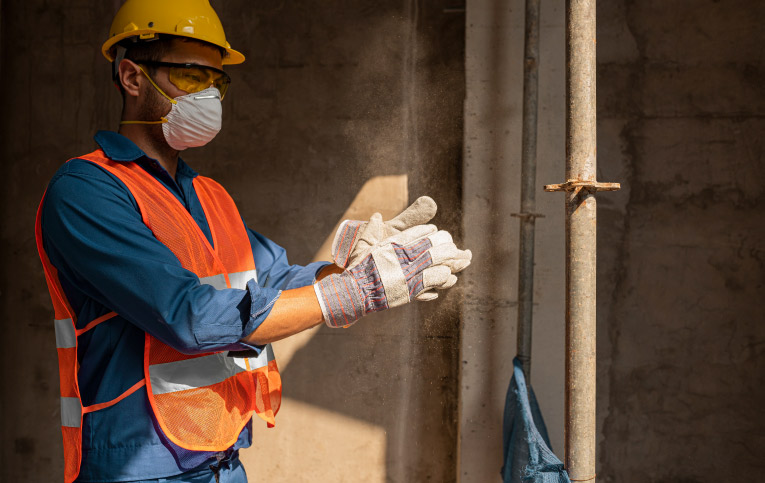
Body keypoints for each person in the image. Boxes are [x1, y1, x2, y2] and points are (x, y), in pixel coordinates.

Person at [35, 1, 472, 482]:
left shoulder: (209, 195)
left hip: (222, 460)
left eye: (216, 82)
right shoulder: (85, 191)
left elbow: (274, 279)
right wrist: (350, 293)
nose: (210, 97)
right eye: (191, 76)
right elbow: (187, 317)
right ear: (132, 78)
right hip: (138, 467)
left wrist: (345, 270)